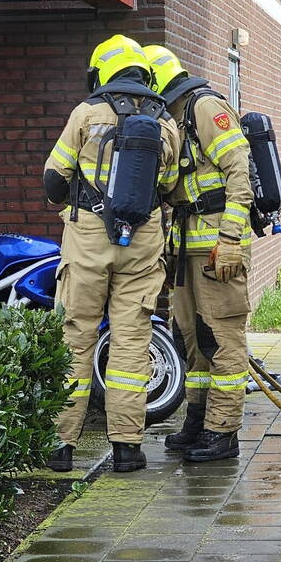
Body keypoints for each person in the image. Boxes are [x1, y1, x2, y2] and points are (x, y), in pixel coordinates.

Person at [43, 34, 182, 473]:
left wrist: (73, 213)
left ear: (102, 71)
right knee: (130, 343)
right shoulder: (166, 121)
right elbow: (170, 185)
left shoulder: (87, 113)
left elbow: (53, 177)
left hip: (88, 238)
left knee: (75, 336)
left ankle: (61, 446)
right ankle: (127, 447)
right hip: (141, 243)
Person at [144, 44, 253, 462]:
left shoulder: (205, 107)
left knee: (224, 341)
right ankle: (199, 420)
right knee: (193, 342)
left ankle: (223, 433)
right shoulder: (177, 115)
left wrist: (229, 239)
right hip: (188, 251)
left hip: (216, 249)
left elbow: (239, 170)